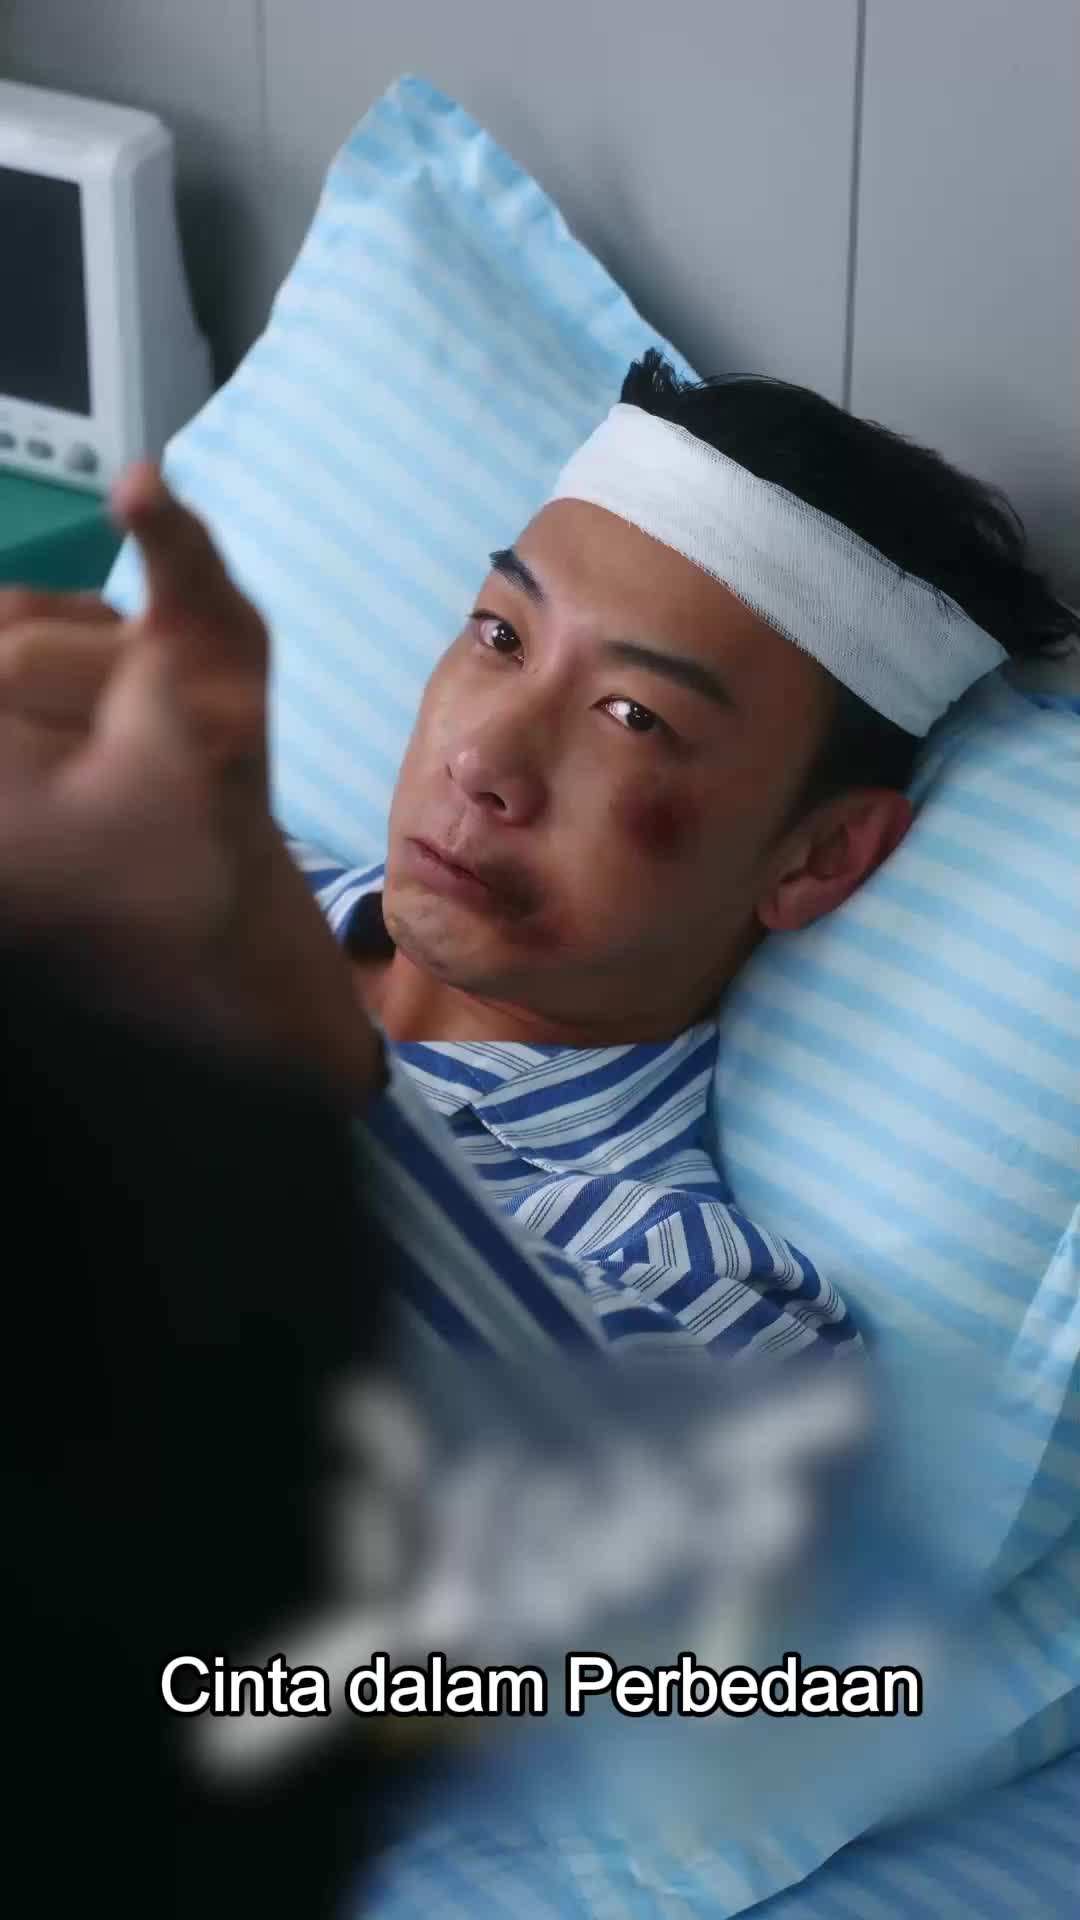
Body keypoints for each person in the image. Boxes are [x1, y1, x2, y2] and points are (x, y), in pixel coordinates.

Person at [0, 353, 1072, 1378]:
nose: (482, 763)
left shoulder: (698, 1299)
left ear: (817, 857)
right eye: (500, 637)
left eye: (633, 715)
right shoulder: (140, 863)